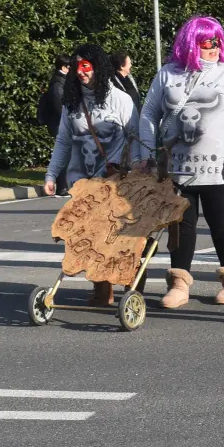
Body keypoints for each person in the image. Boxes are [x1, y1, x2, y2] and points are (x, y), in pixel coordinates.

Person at [135, 16, 224, 309]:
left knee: (220, 223)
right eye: (206, 42)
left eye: (217, 42)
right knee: (181, 226)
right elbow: (148, 113)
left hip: (216, 166)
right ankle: (179, 283)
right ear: (190, 43)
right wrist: (149, 153)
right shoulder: (167, 74)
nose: (213, 48)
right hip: (176, 168)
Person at [43, 43, 138, 306]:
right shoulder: (72, 104)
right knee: (89, 237)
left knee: (119, 236)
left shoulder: (120, 99)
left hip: (115, 181)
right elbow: (63, 141)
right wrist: (52, 175)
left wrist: (140, 168)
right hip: (81, 183)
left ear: (98, 66)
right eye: (76, 67)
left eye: (86, 66)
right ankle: (101, 288)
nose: (81, 72)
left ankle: (132, 284)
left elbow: (136, 137)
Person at [36, 55, 70, 130]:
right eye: (70, 67)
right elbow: (60, 109)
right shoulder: (58, 85)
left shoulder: (63, 81)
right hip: (61, 128)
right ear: (64, 68)